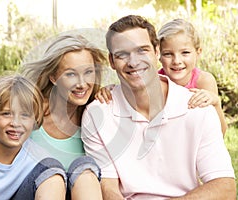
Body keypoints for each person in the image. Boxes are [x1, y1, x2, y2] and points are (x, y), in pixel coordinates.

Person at [81, 15, 236, 199]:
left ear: (156, 52)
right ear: (112, 61)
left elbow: (225, 187)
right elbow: (108, 188)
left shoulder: (199, 109)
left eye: (142, 50)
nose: (133, 61)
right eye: (122, 54)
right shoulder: (97, 113)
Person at [0, 34, 106, 200]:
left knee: (84, 166)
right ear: (53, 77)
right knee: (50, 167)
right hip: (37, 193)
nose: (82, 83)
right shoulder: (30, 109)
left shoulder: (97, 111)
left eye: (88, 72)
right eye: (71, 74)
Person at [95, 18, 227, 135]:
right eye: (168, 54)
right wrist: (111, 90)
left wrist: (215, 104)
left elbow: (219, 132)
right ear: (158, 54)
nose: (176, 61)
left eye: (185, 53)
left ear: (198, 53)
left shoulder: (203, 81)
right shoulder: (154, 78)